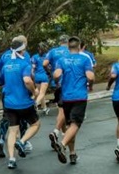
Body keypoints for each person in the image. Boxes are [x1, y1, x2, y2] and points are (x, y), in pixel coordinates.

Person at [50, 37, 94, 165]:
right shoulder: (85, 59)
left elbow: (57, 75)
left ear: (68, 47)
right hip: (79, 96)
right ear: (79, 46)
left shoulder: (62, 60)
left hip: (66, 96)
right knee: (75, 125)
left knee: (70, 126)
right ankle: (62, 145)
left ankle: (72, 153)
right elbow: (90, 76)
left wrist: (58, 82)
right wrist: (90, 85)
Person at [0, 40, 42, 169]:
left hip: (9, 103)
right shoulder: (24, 64)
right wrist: (34, 91)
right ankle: (22, 142)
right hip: (24, 102)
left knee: (12, 130)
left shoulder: (6, 65)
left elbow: (0, 81)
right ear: (23, 50)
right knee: (35, 124)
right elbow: (27, 80)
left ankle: (11, 159)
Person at [43, 36, 70, 145]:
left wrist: (50, 72)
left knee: (60, 108)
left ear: (60, 42)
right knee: (63, 110)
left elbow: (44, 63)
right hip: (68, 83)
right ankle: (56, 131)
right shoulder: (70, 51)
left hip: (56, 82)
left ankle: (63, 134)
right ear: (67, 42)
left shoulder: (53, 51)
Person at [31, 42, 51, 113]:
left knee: (39, 92)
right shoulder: (47, 56)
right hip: (44, 76)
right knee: (42, 93)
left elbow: (32, 68)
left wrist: (33, 76)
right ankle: (34, 104)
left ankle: (44, 108)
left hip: (37, 76)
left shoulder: (34, 57)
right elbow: (49, 66)